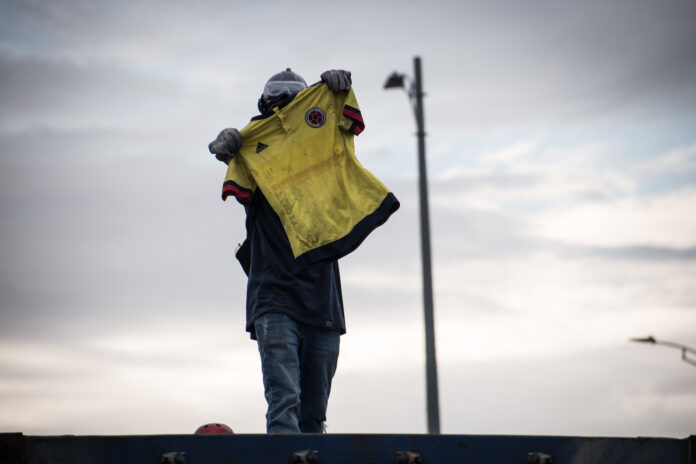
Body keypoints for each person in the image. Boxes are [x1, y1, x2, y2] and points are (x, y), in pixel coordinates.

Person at [208, 68, 398, 434]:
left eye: (290, 102)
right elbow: (230, 150)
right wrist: (226, 145)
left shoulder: (323, 145)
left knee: (313, 416)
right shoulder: (253, 150)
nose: (281, 108)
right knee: (284, 405)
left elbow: (341, 124)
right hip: (274, 298)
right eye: (275, 103)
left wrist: (334, 91)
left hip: (322, 303)